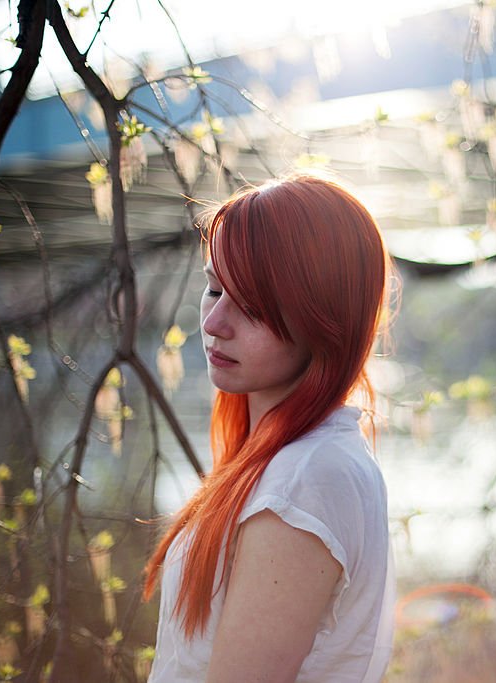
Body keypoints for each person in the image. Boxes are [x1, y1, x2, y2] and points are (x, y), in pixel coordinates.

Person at [142, 174, 397, 683]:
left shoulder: (309, 477)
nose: (214, 321)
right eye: (213, 288)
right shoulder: (287, 461)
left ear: (322, 318)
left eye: (253, 306)